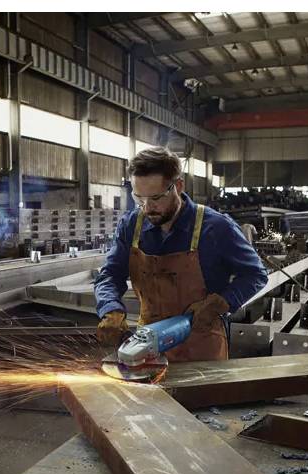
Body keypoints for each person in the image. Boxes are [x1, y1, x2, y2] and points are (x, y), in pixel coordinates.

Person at [94, 147, 268, 362]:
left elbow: (256, 275)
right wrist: (110, 308)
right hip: (147, 345)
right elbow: (110, 274)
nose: (147, 208)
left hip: (203, 344)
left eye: (156, 198)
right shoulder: (131, 225)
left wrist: (221, 303)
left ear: (177, 186)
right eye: (139, 198)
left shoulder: (216, 228)